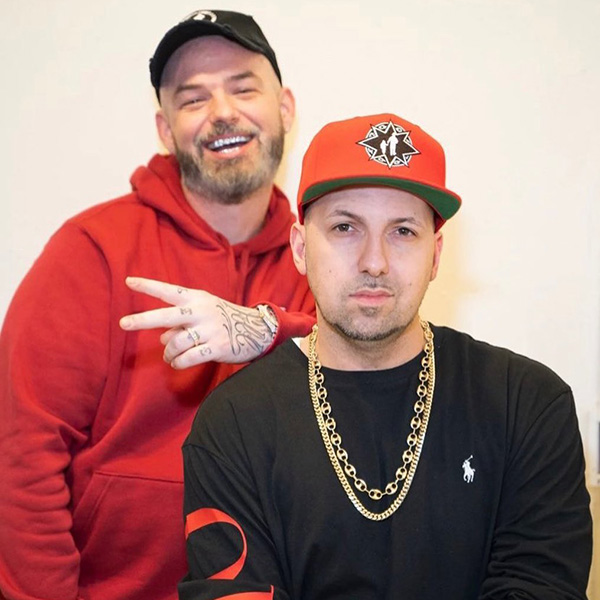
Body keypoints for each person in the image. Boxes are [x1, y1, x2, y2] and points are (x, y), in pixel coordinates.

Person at [178, 113, 592, 600]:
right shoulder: (234, 424)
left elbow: (541, 586)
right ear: (300, 248)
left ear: (436, 254)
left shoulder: (526, 405)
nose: (374, 262)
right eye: (345, 227)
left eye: (403, 232)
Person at [0, 9, 314, 600]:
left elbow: (371, 371)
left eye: (244, 88)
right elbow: (22, 458)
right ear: (166, 130)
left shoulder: (320, 255)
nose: (222, 111)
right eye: (193, 98)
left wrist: (266, 328)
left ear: (286, 109)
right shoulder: (92, 251)